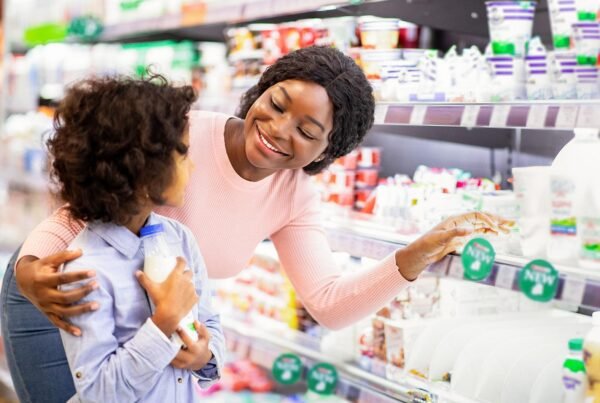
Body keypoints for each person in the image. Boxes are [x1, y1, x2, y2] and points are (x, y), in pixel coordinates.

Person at [2, 46, 509, 403]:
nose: (276, 130)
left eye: (307, 131)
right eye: (277, 103)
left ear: (326, 151)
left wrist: (414, 255)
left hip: (152, 326)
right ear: (261, 90)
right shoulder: (180, 134)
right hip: (62, 293)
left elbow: (328, 303)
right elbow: (77, 214)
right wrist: (29, 272)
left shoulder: (293, 197)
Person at [47, 75, 224, 402]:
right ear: (141, 170)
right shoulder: (83, 271)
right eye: (183, 153)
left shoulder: (180, 239)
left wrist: (206, 357)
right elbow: (98, 391)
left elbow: (211, 320)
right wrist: (164, 323)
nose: (194, 165)